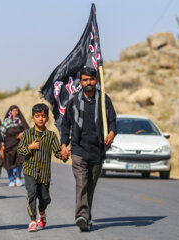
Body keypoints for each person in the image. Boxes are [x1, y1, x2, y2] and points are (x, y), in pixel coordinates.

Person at [61, 67, 117, 232]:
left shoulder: (104, 100)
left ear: (97, 80)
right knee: (82, 182)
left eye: (91, 79)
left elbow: (112, 120)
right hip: (79, 149)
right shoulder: (74, 101)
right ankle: (81, 216)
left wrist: (112, 133)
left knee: (90, 185)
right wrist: (64, 145)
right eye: (85, 80)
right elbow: (66, 125)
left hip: (97, 149)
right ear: (81, 82)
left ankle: (86, 218)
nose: (88, 83)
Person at [18, 103, 67, 232]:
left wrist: (64, 155)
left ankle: (42, 212)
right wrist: (30, 147)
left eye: (43, 116)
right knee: (31, 194)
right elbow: (20, 151)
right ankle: (33, 221)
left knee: (45, 198)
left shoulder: (51, 135)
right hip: (30, 170)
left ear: (47, 118)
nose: (41, 118)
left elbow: (57, 152)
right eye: (38, 116)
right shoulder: (27, 134)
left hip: (44, 173)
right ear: (33, 118)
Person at [0, 105, 29, 187]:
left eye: (16, 111)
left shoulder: (21, 121)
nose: (15, 112)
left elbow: (28, 131)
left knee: (19, 161)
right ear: (10, 112)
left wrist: (23, 133)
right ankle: (11, 180)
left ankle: (18, 178)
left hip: (19, 145)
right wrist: (2, 145)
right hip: (8, 145)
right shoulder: (6, 121)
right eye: (13, 111)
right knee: (9, 162)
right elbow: (1, 133)